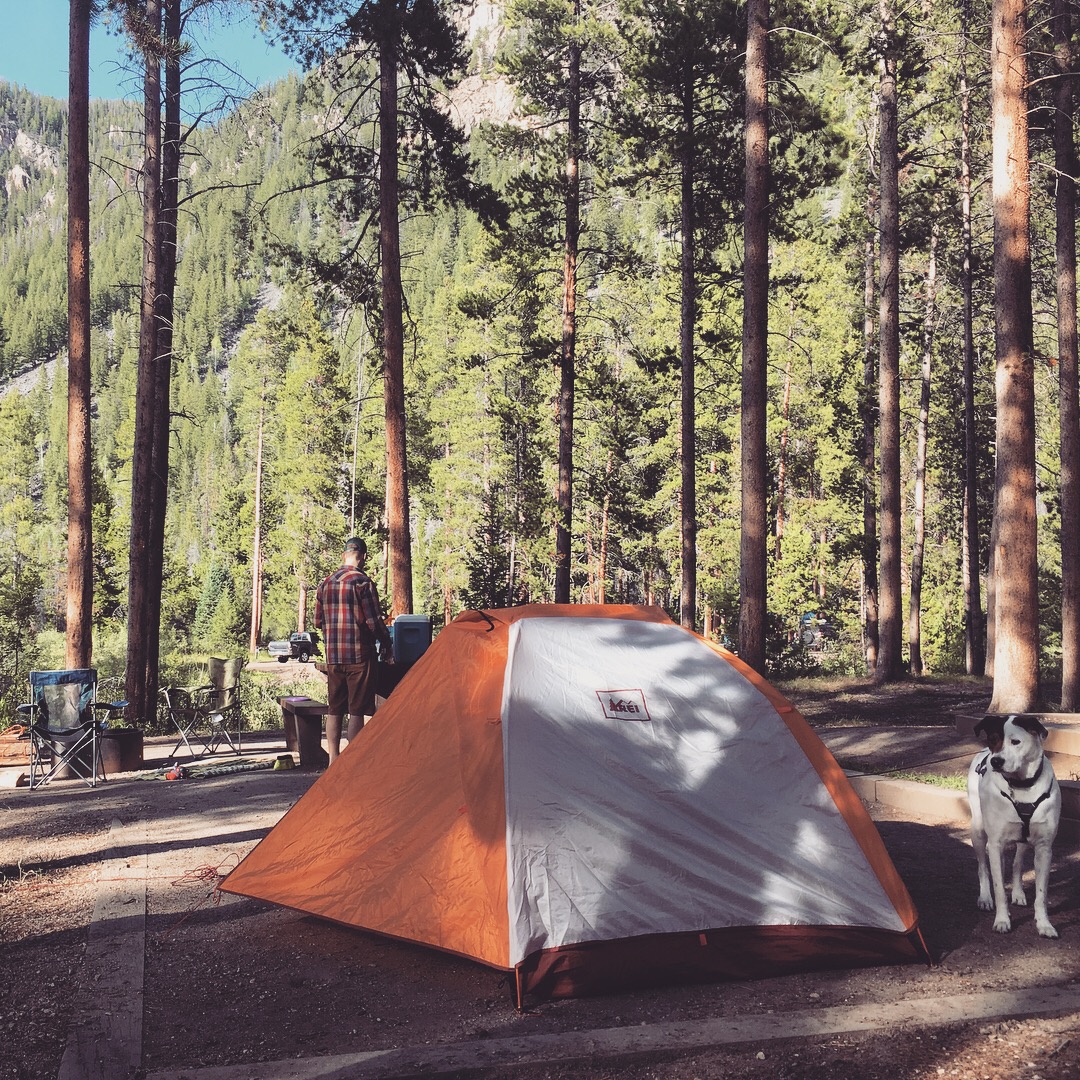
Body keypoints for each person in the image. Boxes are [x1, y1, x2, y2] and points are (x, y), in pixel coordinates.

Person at [314, 537, 394, 764]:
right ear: (364, 557)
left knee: (335, 708)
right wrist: (387, 644)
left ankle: (333, 760)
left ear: (344, 555)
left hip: (333, 657)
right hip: (359, 656)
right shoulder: (363, 583)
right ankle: (352, 763)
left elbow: (317, 621)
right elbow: (374, 622)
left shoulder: (325, 583)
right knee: (356, 710)